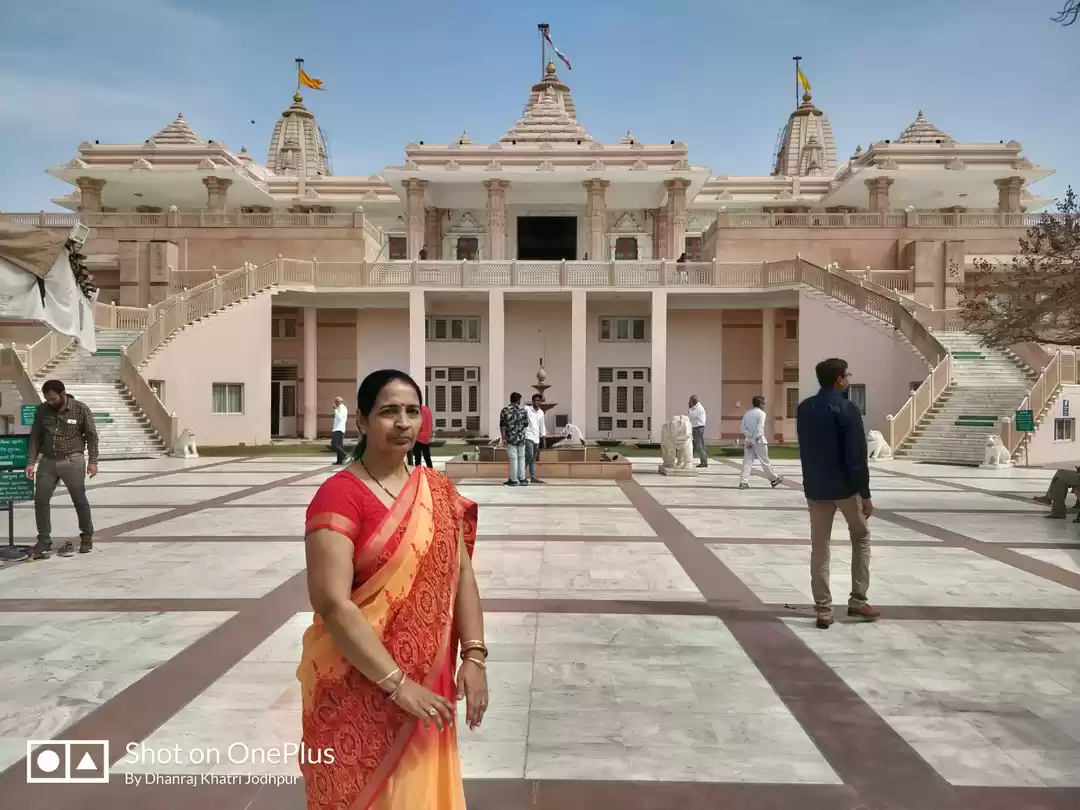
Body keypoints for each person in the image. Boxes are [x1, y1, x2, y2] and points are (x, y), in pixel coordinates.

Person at [298, 369, 487, 810]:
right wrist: (399, 686)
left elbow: (462, 576)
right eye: (388, 412)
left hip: (430, 686)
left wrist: (474, 657)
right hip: (356, 685)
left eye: (409, 411)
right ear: (362, 421)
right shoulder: (339, 495)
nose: (402, 423)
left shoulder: (438, 490)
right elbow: (330, 601)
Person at [796, 358, 880, 630]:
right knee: (861, 537)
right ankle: (858, 600)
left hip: (816, 488)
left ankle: (823, 610)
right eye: (847, 375)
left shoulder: (805, 409)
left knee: (820, 549)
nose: (849, 379)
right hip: (845, 488)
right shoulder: (847, 409)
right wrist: (864, 493)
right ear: (839, 380)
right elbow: (856, 457)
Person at [25, 380, 98, 559]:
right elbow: (35, 437)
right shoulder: (42, 410)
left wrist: (93, 461)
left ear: (63, 394)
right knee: (41, 499)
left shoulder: (80, 409)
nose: (50, 402)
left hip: (73, 460)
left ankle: (87, 536)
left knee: (79, 498)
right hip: (48, 461)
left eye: (53, 399)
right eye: (47, 399)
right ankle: (44, 541)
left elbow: (91, 436)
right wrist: (30, 462)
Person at [739, 396, 784, 490]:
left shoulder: (747, 413)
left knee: (747, 461)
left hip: (748, 440)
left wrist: (750, 436)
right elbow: (760, 427)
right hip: (759, 440)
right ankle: (774, 479)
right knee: (765, 461)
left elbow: (742, 427)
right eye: (763, 403)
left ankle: (743, 482)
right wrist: (755, 438)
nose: (764, 405)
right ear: (760, 404)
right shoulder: (761, 413)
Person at [499, 392, 529, 487]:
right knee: (521, 458)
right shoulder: (523, 411)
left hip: (510, 438)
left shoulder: (505, 411)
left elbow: (502, 425)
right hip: (521, 438)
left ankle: (513, 479)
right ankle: (523, 478)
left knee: (513, 459)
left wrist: (503, 438)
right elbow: (526, 424)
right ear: (518, 400)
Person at [524, 393, 547, 484]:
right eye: (535, 400)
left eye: (539, 401)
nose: (537, 402)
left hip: (536, 438)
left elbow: (542, 425)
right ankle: (527, 476)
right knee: (530, 456)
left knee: (531, 458)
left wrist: (543, 438)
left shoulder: (541, 412)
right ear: (532, 401)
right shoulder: (527, 409)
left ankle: (526, 476)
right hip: (528, 436)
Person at [412, 398, 434, 468]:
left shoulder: (418, 410)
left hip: (418, 437)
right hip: (426, 437)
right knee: (427, 456)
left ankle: (418, 473)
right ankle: (431, 472)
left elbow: (419, 423)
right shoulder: (427, 410)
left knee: (417, 458)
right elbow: (430, 422)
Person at [688, 395, 708, 468]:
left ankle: (704, 462)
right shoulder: (696, 408)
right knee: (694, 446)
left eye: (691, 401)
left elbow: (691, 416)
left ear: (694, 401)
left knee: (699, 446)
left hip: (698, 428)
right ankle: (688, 460)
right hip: (696, 428)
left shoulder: (699, 408)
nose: (690, 402)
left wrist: (690, 408)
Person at [330, 396, 348, 465]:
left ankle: (344, 455)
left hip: (339, 429)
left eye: (337, 401)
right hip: (338, 428)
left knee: (334, 444)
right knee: (339, 445)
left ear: (341, 402)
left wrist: (335, 410)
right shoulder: (339, 408)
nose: (335, 403)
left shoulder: (342, 408)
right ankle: (339, 461)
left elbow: (340, 418)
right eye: (335, 401)